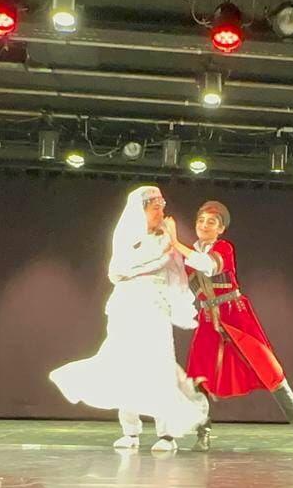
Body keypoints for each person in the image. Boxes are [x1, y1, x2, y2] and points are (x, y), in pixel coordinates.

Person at [49, 186, 207, 453]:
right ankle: (130, 431)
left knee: (160, 366)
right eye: (155, 207)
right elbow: (117, 270)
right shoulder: (127, 235)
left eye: (162, 206)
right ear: (142, 210)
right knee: (123, 365)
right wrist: (156, 257)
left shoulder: (166, 238)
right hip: (127, 305)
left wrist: (168, 247)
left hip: (156, 307)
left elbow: (172, 269)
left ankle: (166, 434)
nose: (161, 212)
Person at [163, 201, 293, 450]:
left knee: (268, 367)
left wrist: (175, 242)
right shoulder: (187, 255)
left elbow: (209, 266)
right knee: (199, 374)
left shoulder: (223, 248)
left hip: (235, 314)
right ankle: (203, 434)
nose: (204, 225)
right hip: (208, 318)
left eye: (211, 222)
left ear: (221, 229)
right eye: (201, 221)